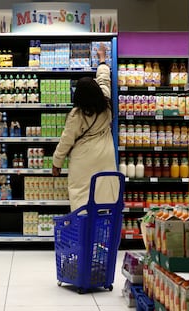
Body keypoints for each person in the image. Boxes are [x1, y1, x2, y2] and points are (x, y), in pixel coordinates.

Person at [52, 43, 118, 212]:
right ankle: (101, 231)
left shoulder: (77, 114)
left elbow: (66, 140)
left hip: (83, 159)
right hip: (105, 154)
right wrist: (102, 60)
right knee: (104, 194)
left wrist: (56, 162)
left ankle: (84, 231)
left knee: (82, 198)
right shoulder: (105, 102)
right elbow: (104, 79)